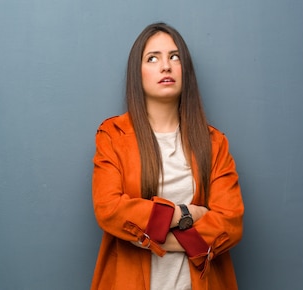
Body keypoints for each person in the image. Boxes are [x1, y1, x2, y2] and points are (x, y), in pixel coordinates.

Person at [91, 22, 244, 290]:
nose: (166, 66)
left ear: (185, 70)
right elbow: (109, 210)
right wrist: (186, 213)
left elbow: (230, 222)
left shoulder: (213, 143)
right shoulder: (113, 135)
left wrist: (146, 236)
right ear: (137, 73)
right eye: (153, 58)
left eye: (174, 57)